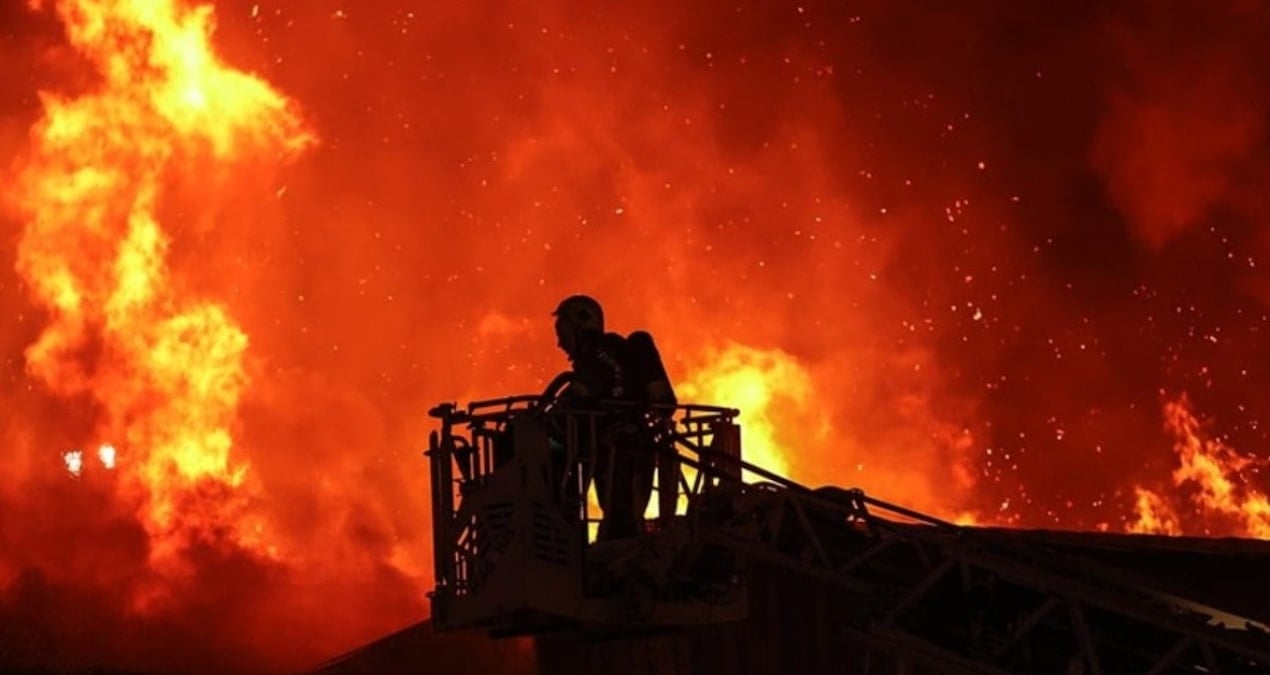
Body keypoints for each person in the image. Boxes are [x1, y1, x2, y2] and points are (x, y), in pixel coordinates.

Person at [551, 294, 665, 541]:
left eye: (562, 332)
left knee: (620, 529)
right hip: (638, 445)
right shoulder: (618, 350)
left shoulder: (594, 358)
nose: (559, 342)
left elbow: (578, 399)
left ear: (579, 328)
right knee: (626, 524)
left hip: (616, 451)